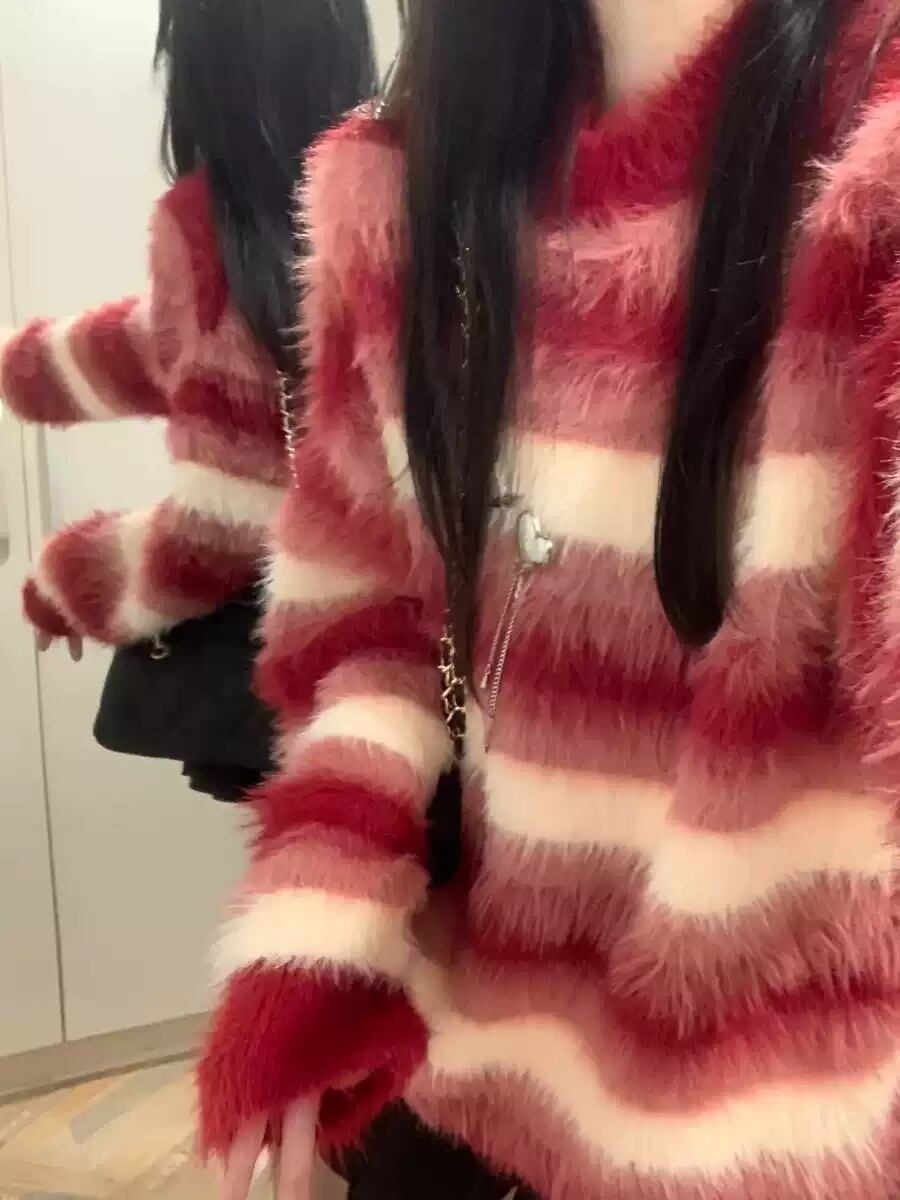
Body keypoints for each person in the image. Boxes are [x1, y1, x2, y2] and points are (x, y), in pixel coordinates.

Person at [199, 0, 900, 1196]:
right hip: (461, 1082)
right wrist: (315, 935)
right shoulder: (398, 182)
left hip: (789, 1126)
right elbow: (368, 620)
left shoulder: (867, 148)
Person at [0, 0, 375, 800]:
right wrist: (26, 368)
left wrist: (72, 582)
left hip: (319, 673)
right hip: (438, 668)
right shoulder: (408, 186)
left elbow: (227, 521)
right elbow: (186, 348)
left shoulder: (215, 225)